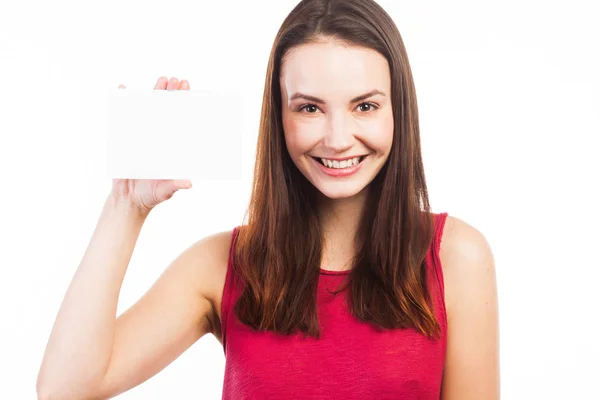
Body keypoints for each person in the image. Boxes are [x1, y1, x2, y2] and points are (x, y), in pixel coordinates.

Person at [36, 0, 500, 398]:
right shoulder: (222, 265)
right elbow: (65, 389)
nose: (338, 139)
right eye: (309, 108)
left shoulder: (456, 257)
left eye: (365, 106)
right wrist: (126, 205)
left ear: (399, 111)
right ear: (279, 116)